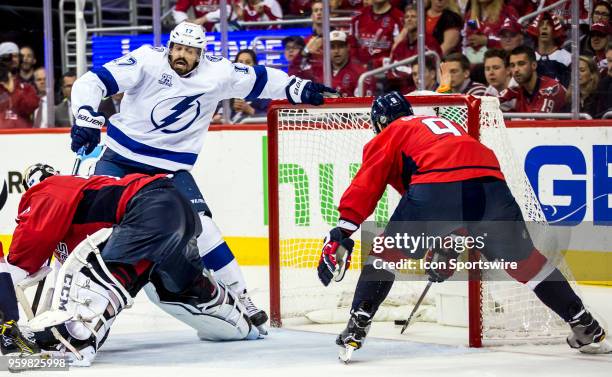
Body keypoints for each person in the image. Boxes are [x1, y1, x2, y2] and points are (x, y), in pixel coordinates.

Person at [68, 21, 335, 334]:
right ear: (170, 47)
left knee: (204, 228)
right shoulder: (146, 61)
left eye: (190, 51)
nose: (182, 55)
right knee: (92, 227)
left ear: (201, 54)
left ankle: (242, 297)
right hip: (119, 159)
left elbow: (260, 79)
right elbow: (93, 80)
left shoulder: (217, 73)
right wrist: (85, 116)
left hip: (169, 171)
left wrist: (297, 88)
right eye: (178, 48)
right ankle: (78, 305)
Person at [316, 91, 610, 361]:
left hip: (438, 182)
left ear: (379, 123)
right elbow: (462, 192)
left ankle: (357, 327)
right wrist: (449, 246)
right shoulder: (443, 126)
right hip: (491, 185)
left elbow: (371, 184)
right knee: (527, 263)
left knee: (385, 253)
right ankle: (584, 323)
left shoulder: (390, 132)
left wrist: (343, 231)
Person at [0, 164, 256, 362]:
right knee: (179, 291)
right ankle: (242, 322)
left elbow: (23, 260)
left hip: (150, 209)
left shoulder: (50, 190)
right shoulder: (79, 199)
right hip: (172, 212)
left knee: (87, 302)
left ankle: (70, 338)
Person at [500, 45, 567, 113]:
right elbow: (490, 103)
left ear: (534, 65)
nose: (516, 70)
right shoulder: (515, 91)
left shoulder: (551, 89)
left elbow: (538, 122)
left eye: (521, 64)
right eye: (512, 65)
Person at [349, 0, 404, 68]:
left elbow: (399, 52)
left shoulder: (398, 17)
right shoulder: (358, 15)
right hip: (359, 70)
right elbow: (352, 46)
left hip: (385, 71)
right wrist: (357, 67)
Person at [0, 43, 39, 129]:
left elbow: (29, 108)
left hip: (22, 138)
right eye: (8, 57)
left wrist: (13, 89)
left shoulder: (27, 88)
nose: (13, 60)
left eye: (16, 56)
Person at [527, 11, 571, 87]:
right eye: (541, 24)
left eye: (549, 24)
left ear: (555, 31)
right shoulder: (527, 58)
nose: (544, 27)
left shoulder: (568, 58)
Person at [230, 49, 270, 122]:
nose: (243, 65)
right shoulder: (228, 88)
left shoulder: (264, 89)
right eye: (240, 62)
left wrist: (250, 110)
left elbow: (272, 118)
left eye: (248, 62)